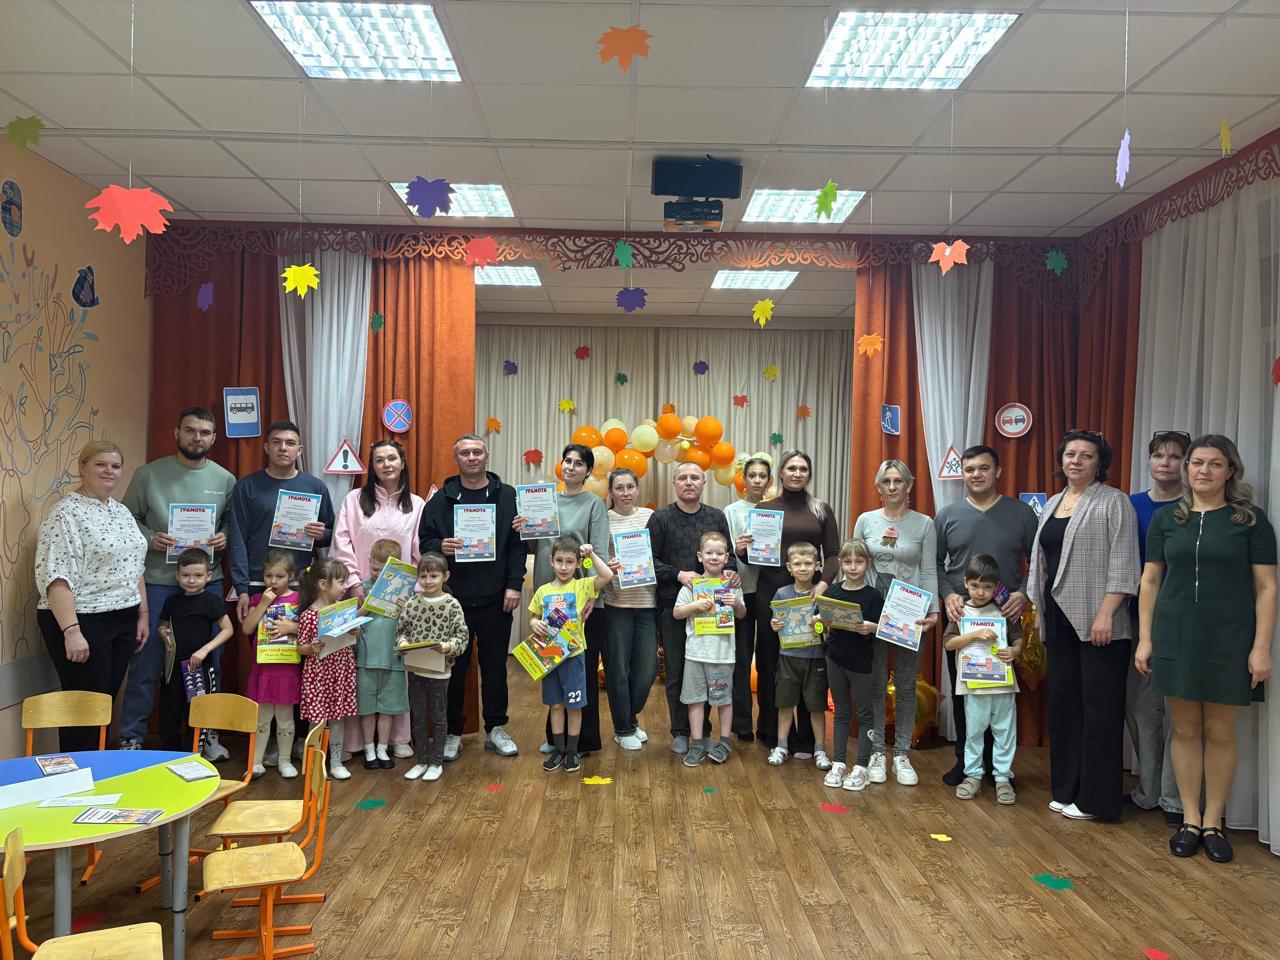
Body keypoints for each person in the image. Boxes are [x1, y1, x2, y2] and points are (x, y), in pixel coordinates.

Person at [1136, 435, 1277, 864]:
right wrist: (1145, 639)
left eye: (1215, 464)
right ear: (1187, 469)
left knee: (1219, 732)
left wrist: (1261, 648)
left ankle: (1214, 821)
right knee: (1184, 730)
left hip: (1230, 637)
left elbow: (1267, 587)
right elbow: (1150, 580)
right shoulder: (1167, 519)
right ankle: (1190, 819)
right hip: (1175, 635)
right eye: (1197, 462)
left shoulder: (1250, 520)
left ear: (1230, 471)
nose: (1204, 470)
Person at [1027, 429, 1140, 822]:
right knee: (1065, 706)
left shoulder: (1114, 501)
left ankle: (1096, 801)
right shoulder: (1053, 502)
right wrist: (1038, 608)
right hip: (1058, 618)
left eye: (1086, 455)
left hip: (1100, 623)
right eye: (1070, 454)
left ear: (1099, 463)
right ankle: (1068, 789)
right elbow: (1042, 564)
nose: (1075, 461)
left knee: (1099, 711)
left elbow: (1125, 563)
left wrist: (1107, 613)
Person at [119, 407, 236, 755]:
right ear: (177, 433)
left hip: (207, 583)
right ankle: (132, 736)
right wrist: (149, 538)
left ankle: (206, 735)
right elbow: (125, 519)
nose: (197, 437)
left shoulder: (225, 479)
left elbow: (232, 524)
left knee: (209, 663)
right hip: (158, 582)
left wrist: (225, 536)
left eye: (204, 432)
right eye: (190, 430)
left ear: (213, 438)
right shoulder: (148, 475)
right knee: (148, 659)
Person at [35, 440, 148, 752]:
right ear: (82, 468)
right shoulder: (65, 513)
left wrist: (142, 615)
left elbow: (134, 565)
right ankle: (76, 774)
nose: (109, 471)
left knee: (103, 705)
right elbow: (56, 577)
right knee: (82, 710)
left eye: (115, 466)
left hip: (123, 616)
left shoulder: (120, 511)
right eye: (100, 464)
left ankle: (97, 771)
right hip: (82, 620)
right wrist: (71, 631)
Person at [934, 445, 1037, 786]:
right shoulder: (947, 516)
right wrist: (948, 594)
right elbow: (935, 564)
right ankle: (966, 762)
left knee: (1000, 696)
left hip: (1005, 616)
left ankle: (999, 767)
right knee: (966, 693)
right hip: (962, 617)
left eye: (983, 468)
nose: (976, 474)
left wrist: (1022, 593)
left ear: (998, 472)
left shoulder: (1022, 514)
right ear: (962, 474)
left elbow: (1038, 562)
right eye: (969, 469)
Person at [420, 434, 525, 761]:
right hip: (453, 602)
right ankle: (453, 732)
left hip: (497, 598)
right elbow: (424, 543)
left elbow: (518, 546)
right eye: (464, 452)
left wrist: (514, 585)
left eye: (477, 452)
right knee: (454, 669)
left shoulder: (508, 496)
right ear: (456, 458)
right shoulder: (440, 500)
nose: (471, 457)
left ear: (486, 456)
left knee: (495, 667)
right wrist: (440, 546)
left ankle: (496, 728)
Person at [332, 439, 425, 760]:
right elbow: (341, 543)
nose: (386, 464)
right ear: (372, 467)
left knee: (395, 667)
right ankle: (354, 742)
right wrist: (355, 584)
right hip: (358, 597)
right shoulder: (353, 500)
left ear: (403, 463)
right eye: (379, 460)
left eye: (392, 458)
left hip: (399, 602)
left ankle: (398, 738)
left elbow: (418, 552)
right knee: (358, 669)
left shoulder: (416, 504)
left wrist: (411, 596)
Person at [518, 444, 610, 755]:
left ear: (588, 471)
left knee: (580, 672)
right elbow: (535, 549)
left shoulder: (594, 504)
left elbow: (597, 553)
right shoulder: (544, 500)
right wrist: (523, 529)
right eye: (567, 461)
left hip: (581, 603)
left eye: (579, 463)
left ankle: (583, 741)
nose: (571, 467)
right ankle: (556, 738)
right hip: (549, 600)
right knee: (552, 668)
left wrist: (592, 595)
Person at [853, 459, 939, 787]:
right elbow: (855, 564)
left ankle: (901, 754)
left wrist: (933, 611)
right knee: (875, 684)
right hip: (872, 614)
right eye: (886, 481)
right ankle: (877, 751)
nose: (892, 486)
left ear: (909, 485)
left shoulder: (924, 524)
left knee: (905, 685)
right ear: (878, 487)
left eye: (898, 481)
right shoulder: (866, 521)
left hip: (909, 613)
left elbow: (928, 569)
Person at [751, 451, 839, 755]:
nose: (797, 473)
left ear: (809, 474)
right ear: (781, 472)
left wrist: (823, 584)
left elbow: (833, 555)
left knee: (807, 660)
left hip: (809, 593)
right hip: (771, 592)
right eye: (791, 468)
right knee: (769, 661)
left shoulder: (821, 509)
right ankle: (772, 732)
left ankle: (806, 739)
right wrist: (742, 550)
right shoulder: (764, 509)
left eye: (803, 468)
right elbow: (754, 557)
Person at [647, 461, 737, 755]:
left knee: (709, 670)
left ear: (703, 483)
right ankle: (680, 731)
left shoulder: (716, 516)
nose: (689, 482)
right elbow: (648, 561)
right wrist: (679, 575)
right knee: (676, 670)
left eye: (695, 477)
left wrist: (733, 572)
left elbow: (729, 557)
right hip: (674, 605)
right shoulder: (660, 518)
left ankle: (704, 731)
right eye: (683, 477)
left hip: (712, 609)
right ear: (674, 483)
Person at [1126, 430, 1190, 824]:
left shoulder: (1195, 506)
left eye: (1175, 456)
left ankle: (1174, 799)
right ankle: (1147, 791)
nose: (1165, 463)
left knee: (1180, 712)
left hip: (1183, 620)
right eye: (1159, 455)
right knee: (1140, 707)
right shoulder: (1130, 504)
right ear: (1149, 461)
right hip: (1137, 618)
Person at [228, 420, 335, 623]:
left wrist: (322, 534)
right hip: (259, 582)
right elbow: (237, 539)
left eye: (290, 443)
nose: (283, 448)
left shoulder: (315, 487)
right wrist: (241, 587)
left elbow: (331, 534)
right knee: (261, 642)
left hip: (301, 583)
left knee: (301, 641)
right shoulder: (246, 486)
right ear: (267, 448)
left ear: (299, 450)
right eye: (276, 442)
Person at [943, 554, 1024, 805]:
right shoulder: (960, 612)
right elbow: (949, 644)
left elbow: (1018, 638)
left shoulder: (1004, 610)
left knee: (1005, 732)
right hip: (974, 686)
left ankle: (1002, 777)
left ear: (996, 586)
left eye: (987, 587)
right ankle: (973, 775)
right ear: (965, 583)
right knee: (974, 732)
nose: (980, 592)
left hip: (1003, 686)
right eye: (975, 585)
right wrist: (975, 635)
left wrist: (1015, 651)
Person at [529, 535, 613, 774]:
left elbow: (607, 575)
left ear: (577, 564)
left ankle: (572, 751)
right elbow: (533, 617)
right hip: (549, 656)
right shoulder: (543, 591)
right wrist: (534, 623)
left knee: (574, 706)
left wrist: (591, 554)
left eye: (569, 562)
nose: (564, 567)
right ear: (551, 561)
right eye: (559, 561)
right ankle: (558, 749)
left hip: (574, 656)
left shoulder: (582, 586)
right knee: (555, 705)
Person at [673, 531, 746, 768]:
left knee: (723, 700)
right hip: (695, 654)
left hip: (722, 655)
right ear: (700, 556)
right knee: (695, 701)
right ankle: (696, 744)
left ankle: (724, 742)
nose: (714, 557)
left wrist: (736, 603)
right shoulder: (692, 586)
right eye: (709, 553)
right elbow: (677, 613)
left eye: (719, 553)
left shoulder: (731, 585)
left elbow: (742, 613)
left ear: (727, 557)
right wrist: (694, 605)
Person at [396, 553, 470, 783]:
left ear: (445, 576)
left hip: (440, 671)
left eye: (434, 576)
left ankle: (436, 762)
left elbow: (462, 636)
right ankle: (421, 761)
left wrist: (449, 647)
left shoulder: (452, 604)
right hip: (415, 670)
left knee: (438, 717)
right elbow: (402, 631)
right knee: (418, 717)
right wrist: (403, 643)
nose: (428, 581)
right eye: (424, 576)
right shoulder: (412, 604)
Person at [816, 539, 883, 792]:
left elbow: (886, 628)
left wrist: (872, 627)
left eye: (858, 561)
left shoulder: (873, 596)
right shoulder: (832, 591)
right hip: (835, 658)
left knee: (865, 714)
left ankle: (862, 767)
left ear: (868, 564)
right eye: (847, 562)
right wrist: (819, 623)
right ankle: (839, 763)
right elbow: (820, 623)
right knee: (841, 712)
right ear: (841, 563)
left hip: (862, 663)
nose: (853, 567)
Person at [156, 549, 234, 751]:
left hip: (197, 667)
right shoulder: (172, 601)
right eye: (186, 575)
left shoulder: (212, 601)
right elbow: (162, 625)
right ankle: (169, 754)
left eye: (198, 575)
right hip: (173, 668)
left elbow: (228, 629)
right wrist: (163, 632)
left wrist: (204, 650)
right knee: (169, 713)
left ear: (208, 576)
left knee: (196, 712)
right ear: (177, 576)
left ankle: (193, 755)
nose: (191, 580)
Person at [602, 468, 657, 751]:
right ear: (610, 492)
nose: (625, 493)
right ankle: (623, 728)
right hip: (616, 605)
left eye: (630, 487)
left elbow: (660, 555)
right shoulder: (603, 519)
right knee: (618, 670)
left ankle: (629, 717)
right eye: (619, 488)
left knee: (647, 670)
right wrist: (606, 566)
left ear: (637, 489)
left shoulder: (650, 517)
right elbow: (591, 559)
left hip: (647, 604)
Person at [766, 542, 830, 769]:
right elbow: (776, 621)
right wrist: (774, 624)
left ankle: (819, 749)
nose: (803, 568)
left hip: (815, 658)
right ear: (789, 568)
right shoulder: (782, 593)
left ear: (817, 565)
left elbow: (828, 629)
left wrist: (820, 624)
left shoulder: (823, 595)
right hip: (788, 657)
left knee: (816, 707)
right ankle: (782, 746)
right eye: (797, 564)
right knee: (785, 704)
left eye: (808, 563)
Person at [240, 549, 302, 778]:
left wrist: (292, 627)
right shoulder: (258, 599)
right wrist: (263, 604)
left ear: (291, 576)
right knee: (262, 717)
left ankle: (285, 760)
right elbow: (247, 628)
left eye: (280, 576)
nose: (273, 581)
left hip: (287, 668)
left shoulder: (299, 600)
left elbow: (310, 630)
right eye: (268, 576)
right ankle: (256, 761)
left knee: (285, 718)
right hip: (263, 669)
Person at [297, 558, 359, 780]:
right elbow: (301, 647)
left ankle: (336, 761)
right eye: (341, 582)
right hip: (318, 675)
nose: (345, 587)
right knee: (317, 720)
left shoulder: (343, 610)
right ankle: (314, 763)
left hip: (340, 672)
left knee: (338, 719)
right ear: (323, 584)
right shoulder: (309, 615)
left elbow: (353, 636)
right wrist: (311, 648)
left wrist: (355, 631)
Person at [725, 455, 773, 741]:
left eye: (762, 476)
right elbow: (724, 551)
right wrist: (738, 548)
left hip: (768, 591)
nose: (756, 480)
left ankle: (768, 725)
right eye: (751, 475)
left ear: (770, 481)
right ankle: (741, 724)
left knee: (768, 660)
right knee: (740, 659)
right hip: (740, 592)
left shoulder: (776, 510)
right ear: (743, 479)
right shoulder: (731, 511)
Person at [356, 539, 410, 770]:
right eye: (376, 569)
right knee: (367, 708)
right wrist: (365, 607)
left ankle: (382, 749)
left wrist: (406, 608)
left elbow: (411, 626)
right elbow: (349, 624)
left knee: (388, 708)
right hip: (365, 659)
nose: (378, 576)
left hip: (393, 660)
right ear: (369, 562)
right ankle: (369, 749)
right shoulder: (361, 589)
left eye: (386, 572)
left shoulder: (405, 594)